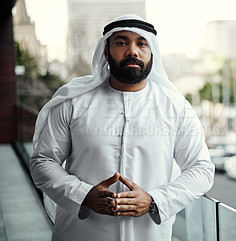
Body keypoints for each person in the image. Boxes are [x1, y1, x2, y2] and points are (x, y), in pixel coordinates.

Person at [30, 14, 215, 241]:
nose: (132, 51)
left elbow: (202, 169)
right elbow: (43, 161)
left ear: (151, 52)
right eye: (121, 42)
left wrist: (155, 200)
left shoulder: (175, 107)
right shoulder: (73, 102)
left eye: (141, 43)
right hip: (81, 234)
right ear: (106, 51)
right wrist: (84, 195)